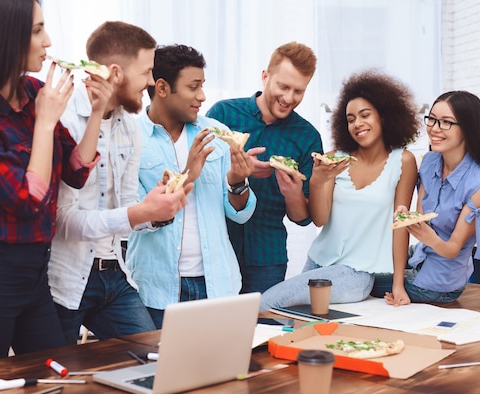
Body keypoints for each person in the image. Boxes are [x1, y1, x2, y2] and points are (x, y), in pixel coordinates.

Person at [0, 0, 111, 364]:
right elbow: (30, 201)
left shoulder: (33, 92)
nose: (48, 41)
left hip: (34, 278)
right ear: (4, 38)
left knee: (56, 384)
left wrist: (97, 112)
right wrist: (45, 124)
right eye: (36, 30)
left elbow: (76, 171)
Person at [48, 22, 191, 345]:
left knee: (157, 357)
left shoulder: (129, 127)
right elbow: (63, 222)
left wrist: (157, 210)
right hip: (64, 280)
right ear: (115, 73)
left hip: (115, 274)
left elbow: (127, 206)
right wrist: (138, 212)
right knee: (58, 377)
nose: (152, 82)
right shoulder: (65, 121)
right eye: (146, 72)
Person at [259, 69, 419, 311]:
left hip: (358, 273)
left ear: (384, 116)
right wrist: (316, 181)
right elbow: (320, 220)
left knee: (271, 302)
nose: (357, 124)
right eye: (351, 119)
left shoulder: (403, 161)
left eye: (365, 115)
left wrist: (398, 284)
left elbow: (401, 226)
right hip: (317, 261)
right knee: (285, 317)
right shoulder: (334, 159)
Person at [127, 44, 257, 328]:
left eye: (202, 86)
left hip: (218, 287)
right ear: (162, 88)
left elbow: (240, 212)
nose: (202, 96)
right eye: (193, 86)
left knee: (222, 371)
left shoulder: (216, 134)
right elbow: (133, 219)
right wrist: (187, 175)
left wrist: (237, 181)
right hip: (156, 290)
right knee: (160, 371)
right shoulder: (132, 139)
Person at [206, 42, 324, 294]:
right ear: (265, 76)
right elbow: (198, 179)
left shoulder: (307, 137)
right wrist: (235, 171)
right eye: (283, 86)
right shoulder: (223, 114)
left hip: (268, 257)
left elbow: (302, 219)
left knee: (265, 330)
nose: (289, 98)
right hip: (216, 250)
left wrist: (293, 193)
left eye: (298, 91)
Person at [384, 91, 480, 305]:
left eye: (446, 122)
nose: (434, 129)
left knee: (366, 281)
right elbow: (422, 217)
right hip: (421, 257)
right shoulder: (430, 161)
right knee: (368, 262)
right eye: (432, 119)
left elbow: (452, 248)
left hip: (440, 285)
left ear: (468, 128)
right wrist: (407, 215)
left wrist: (426, 236)